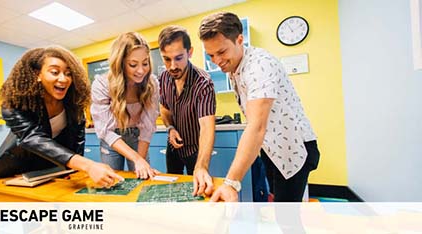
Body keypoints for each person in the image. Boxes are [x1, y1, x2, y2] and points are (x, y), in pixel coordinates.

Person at [199, 12, 320, 202]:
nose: (217, 61)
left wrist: (231, 183)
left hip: (294, 149)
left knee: (287, 218)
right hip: (272, 147)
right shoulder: (235, 67)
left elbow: (256, 127)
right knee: (276, 202)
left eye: (221, 52)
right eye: (211, 55)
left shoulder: (260, 66)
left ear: (240, 40)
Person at [0, 46, 124, 188]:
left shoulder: (73, 103)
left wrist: (73, 169)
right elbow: (32, 138)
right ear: (37, 74)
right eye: (55, 72)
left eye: (68, 73)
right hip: (14, 169)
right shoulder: (15, 104)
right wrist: (88, 165)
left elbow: (77, 139)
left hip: (49, 170)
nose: (63, 79)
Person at [91, 32, 159, 179]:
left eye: (145, 63)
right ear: (120, 63)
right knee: (113, 182)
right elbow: (105, 130)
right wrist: (137, 160)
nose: (141, 70)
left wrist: (139, 161)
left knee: (142, 178)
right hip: (112, 140)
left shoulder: (152, 84)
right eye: (133, 64)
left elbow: (147, 127)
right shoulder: (102, 84)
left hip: (138, 136)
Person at [158, 25, 216, 196]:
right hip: (173, 148)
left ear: (189, 52)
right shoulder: (164, 77)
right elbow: (164, 108)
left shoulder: (203, 83)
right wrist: (170, 128)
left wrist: (201, 166)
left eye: (178, 58)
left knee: (198, 192)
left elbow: (207, 126)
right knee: (172, 190)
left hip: (195, 151)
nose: (172, 66)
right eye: (166, 59)